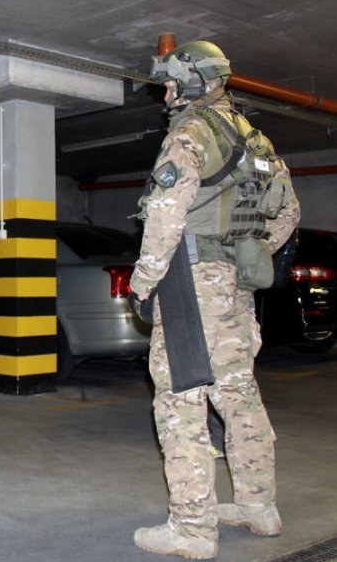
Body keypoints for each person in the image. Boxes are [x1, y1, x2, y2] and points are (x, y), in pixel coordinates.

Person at [128, 40, 300, 559]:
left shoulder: (191, 133)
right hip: (234, 290)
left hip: (189, 285)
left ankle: (192, 529)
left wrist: (143, 283)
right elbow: (288, 214)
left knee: (180, 403)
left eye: (171, 81)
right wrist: (245, 253)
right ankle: (257, 506)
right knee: (239, 397)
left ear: (193, 80)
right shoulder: (257, 140)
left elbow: (165, 215)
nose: (166, 91)